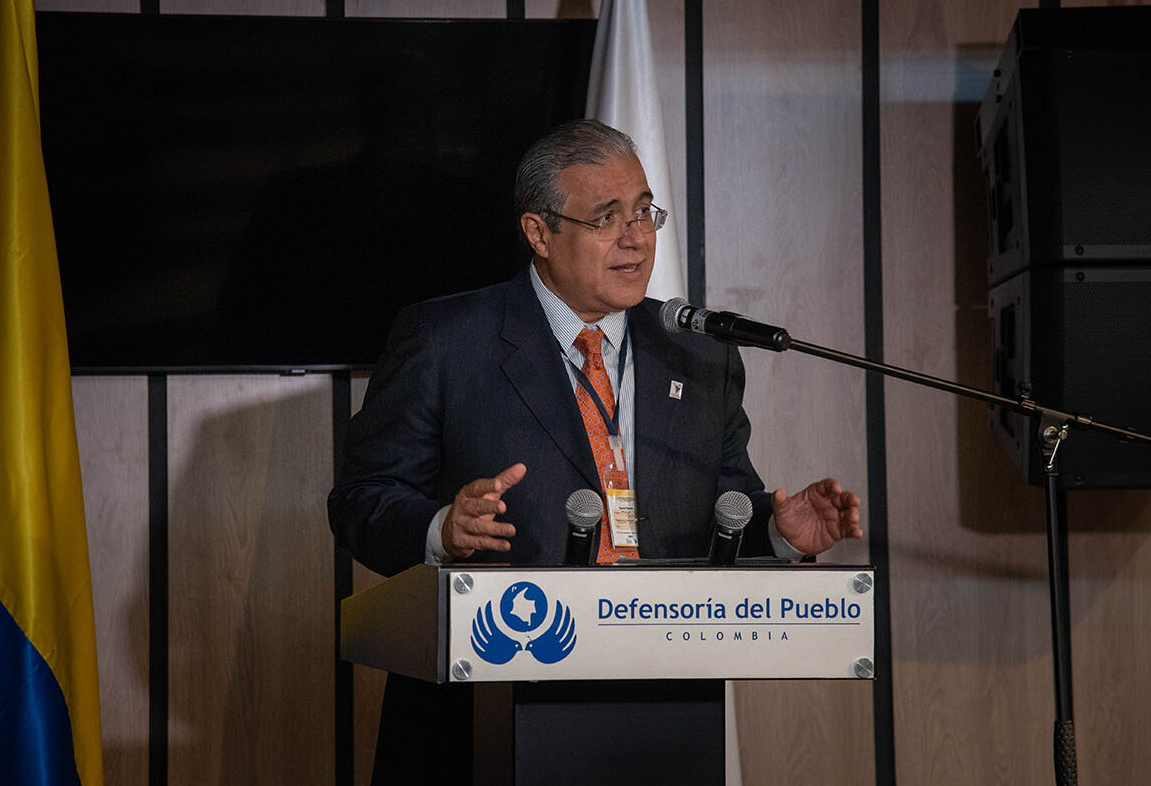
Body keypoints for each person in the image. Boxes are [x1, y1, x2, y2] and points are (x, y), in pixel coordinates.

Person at [327, 119, 862, 783]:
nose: (636, 238)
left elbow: (718, 515)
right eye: (606, 218)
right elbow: (360, 502)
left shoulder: (700, 355)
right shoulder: (446, 341)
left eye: (643, 211)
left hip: (660, 717)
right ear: (539, 232)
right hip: (480, 718)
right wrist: (442, 529)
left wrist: (776, 533)